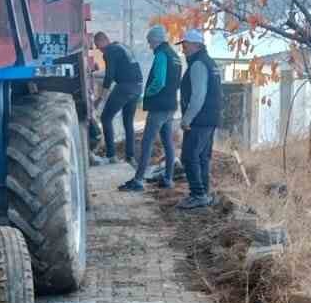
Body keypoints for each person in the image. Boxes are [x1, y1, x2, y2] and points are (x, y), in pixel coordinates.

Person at [120, 24, 183, 192]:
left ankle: (138, 180)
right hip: (170, 106)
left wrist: (146, 95)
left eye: (150, 42)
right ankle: (168, 178)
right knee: (168, 143)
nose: (149, 45)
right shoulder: (175, 56)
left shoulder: (162, 55)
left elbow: (159, 81)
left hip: (159, 106)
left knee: (147, 142)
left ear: (156, 40)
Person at [176, 27, 221, 210]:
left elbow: (198, 96)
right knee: (202, 157)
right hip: (210, 117)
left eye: (185, 45)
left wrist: (186, 119)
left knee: (188, 156)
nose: (183, 49)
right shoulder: (210, 62)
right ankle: (204, 194)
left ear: (196, 45)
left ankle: (197, 195)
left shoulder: (198, 65)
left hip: (199, 119)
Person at [93, 30, 142, 163]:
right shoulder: (122, 47)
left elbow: (110, 75)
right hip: (137, 87)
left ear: (103, 41)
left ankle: (111, 156)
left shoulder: (109, 51)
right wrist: (95, 74)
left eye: (98, 46)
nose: (99, 49)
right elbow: (118, 71)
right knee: (128, 122)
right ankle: (130, 157)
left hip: (125, 87)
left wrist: (100, 98)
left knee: (105, 118)